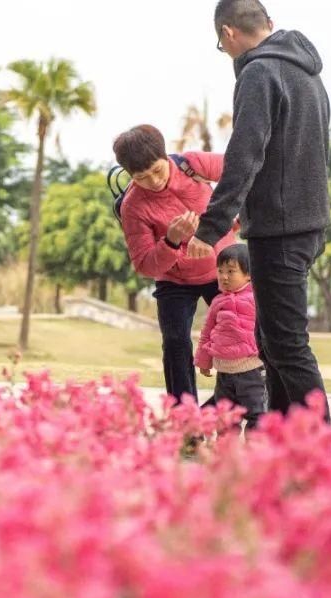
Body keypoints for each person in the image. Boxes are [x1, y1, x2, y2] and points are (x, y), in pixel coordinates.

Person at [187, 0, 331, 422]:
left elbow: (245, 155)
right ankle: (282, 441)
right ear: (267, 23)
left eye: (222, 44)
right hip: (305, 221)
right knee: (271, 342)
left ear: (228, 33)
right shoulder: (307, 73)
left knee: (286, 345)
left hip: (281, 229)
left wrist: (210, 228)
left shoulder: (259, 72)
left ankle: (320, 455)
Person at [112, 124, 238, 403]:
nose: (154, 182)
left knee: (240, 337)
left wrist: (239, 216)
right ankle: (185, 421)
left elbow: (243, 171)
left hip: (223, 270)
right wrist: (171, 241)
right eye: (142, 178)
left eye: (158, 170)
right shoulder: (133, 206)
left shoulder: (193, 164)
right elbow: (145, 264)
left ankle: (230, 404)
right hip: (175, 281)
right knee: (175, 343)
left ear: (166, 156)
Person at [195, 244, 266, 429]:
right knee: (225, 418)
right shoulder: (217, 302)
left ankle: (254, 451)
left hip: (251, 370)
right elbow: (207, 332)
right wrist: (203, 360)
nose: (223, 276)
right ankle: (226, 453)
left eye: (231, 271)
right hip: (224, 373)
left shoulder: (258, 298)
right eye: (220, 271)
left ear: (248, 274)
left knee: (257, 414)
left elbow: (267, 329)